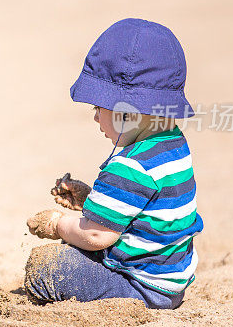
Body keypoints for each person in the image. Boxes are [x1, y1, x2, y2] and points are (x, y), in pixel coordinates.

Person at [24, 18, 203, 310]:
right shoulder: (172, 144)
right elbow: (141, 207)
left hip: (140, 285)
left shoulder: (131, 164)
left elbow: (97, 235)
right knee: (74, 247)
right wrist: (89, 201)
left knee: (48, 267)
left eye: (98, 107)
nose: (95, 117)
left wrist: (57, 224)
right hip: (169, 278)